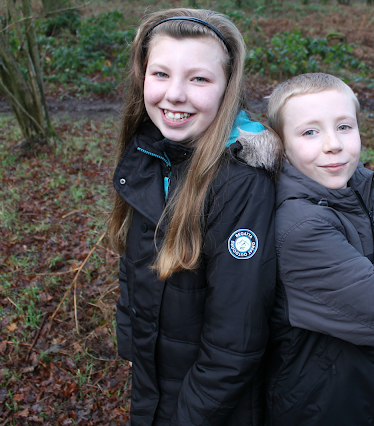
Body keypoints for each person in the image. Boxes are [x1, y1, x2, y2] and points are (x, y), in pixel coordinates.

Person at [107, 8, 281, 426]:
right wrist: (134, 350)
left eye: (199, 78)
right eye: (160, 74)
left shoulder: (240, 184)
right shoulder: (150, 155)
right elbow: (134, 269)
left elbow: (234, 345)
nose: (174, 95)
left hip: (212, 407)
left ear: (227, 87)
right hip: (158, 384)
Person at [264, 73, 374, 426]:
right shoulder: (300, 227)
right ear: (281, 144)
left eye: (344, 126)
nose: (333, 144)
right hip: (314, 402)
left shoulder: (363, 184)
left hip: (357, 382)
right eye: (310, 132)